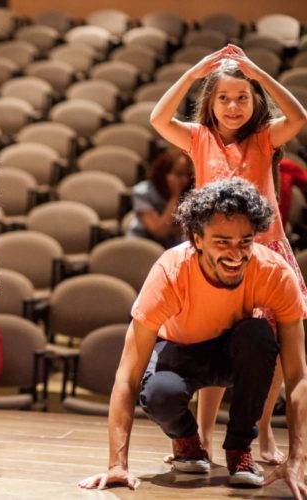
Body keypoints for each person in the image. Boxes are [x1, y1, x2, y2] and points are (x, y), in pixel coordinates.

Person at [79, 179, 307, 494]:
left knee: (258, 334)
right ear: (198, 239)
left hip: (232, 350)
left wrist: (298, 459)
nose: (236, 254)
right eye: (222, 242)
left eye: (245, 241)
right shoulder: (171, 271)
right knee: (159, 393)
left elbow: (297, 376)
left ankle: (239, 448)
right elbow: (127, 376)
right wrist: (117, 465)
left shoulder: (274, 272)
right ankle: (187, 442)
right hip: (178, 350)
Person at [149, 43, 307, 464]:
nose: (233, 106)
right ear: (211, 102)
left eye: (241, 97)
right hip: (214, 255)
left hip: (264, 252)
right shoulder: (199, 137)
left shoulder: (264, 137)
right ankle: (202, 434)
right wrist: (193, 73)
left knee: (269, 347)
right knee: (213, 337)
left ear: (254, 101)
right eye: (223, 98)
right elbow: (158, 119)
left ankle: (263, 433)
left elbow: (299, 118)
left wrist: (257, 74)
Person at [128, 150, 193, 248]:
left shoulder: (190, 194)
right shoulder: (142, 192)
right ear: (163, 173)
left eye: (187, 175)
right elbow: (159, 231)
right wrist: (175, 196)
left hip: (173, 247)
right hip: (142, 245)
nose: (184, 180)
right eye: (179, 174)